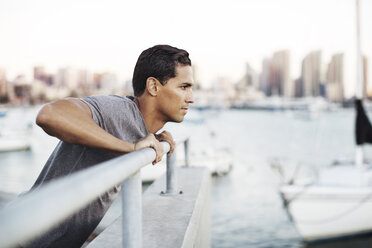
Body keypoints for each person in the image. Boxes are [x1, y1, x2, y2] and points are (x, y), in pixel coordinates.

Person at [23, 44, 194, 248]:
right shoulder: (117, 109)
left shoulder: (138, 126)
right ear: (154, 87)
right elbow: (49, 115)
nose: (191, 98)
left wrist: (153, 139)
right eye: (184, 87)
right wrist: (129, 148)